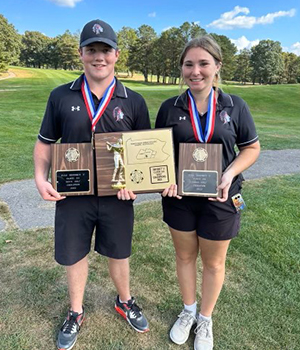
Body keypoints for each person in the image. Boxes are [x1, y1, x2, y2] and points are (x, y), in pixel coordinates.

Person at [34, 19, 150, 350]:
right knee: (74, 255)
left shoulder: (134, 100)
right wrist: (40, 177)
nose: (99, 56)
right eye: (92, 49)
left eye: (106, 50)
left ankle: (125, 301)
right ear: (81, 53)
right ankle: (75, 311)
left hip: (117, 196)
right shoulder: (60, 96)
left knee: (119, 253)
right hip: (73, 195)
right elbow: (44, 142)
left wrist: (136, 185)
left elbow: (143, 155)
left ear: (116, 55)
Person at [155, 35, 260, 350]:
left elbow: (251, 148)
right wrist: (165, 177)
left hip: (221, 197)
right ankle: (188, 311)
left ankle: (206, 318)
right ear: (182, 69)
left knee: (214, 263)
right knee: (185, 256)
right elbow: (159, 155)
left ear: (217, 67)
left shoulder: (234, 105)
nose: (195, 71)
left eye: (203, 63)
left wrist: (229, 173)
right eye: (189, 64)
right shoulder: (169, 107)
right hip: (180, 199)